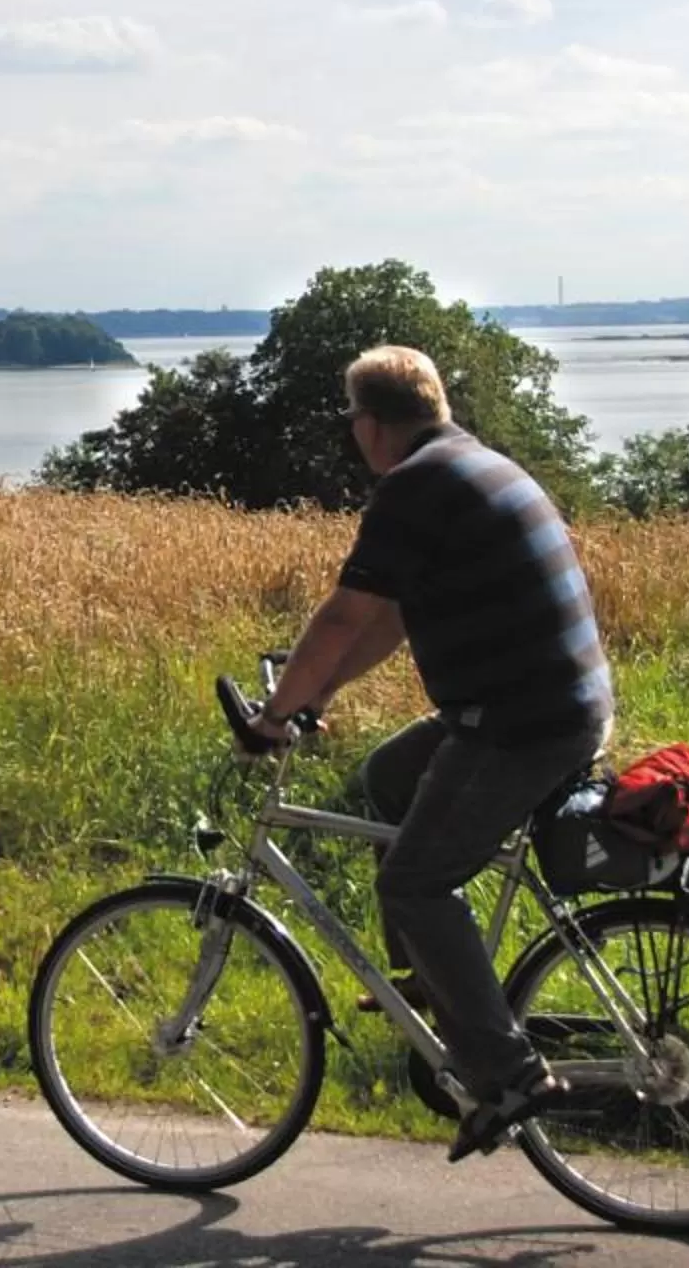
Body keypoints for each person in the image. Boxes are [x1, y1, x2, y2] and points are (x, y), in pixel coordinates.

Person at [243, 344, 614, 1162]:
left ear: (369, 426)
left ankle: (507, 1074)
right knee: (387, 776)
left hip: (522, 722)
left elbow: (343, 615)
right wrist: (319, 694)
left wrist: (274, 716)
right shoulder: (473, 462)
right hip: (551, 704)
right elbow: (393, 617)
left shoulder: (414, 486)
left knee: (412, 881)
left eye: (353, 425)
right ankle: (433, 983)